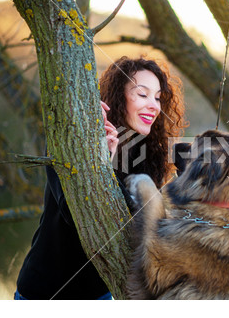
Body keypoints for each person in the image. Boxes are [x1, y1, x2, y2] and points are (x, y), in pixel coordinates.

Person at [15, 56, 186, 300]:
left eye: (157, 97)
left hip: (101, 296)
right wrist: (101, 162)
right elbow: (74, 214)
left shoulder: (149, 155)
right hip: (45, 293)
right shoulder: (69, 138)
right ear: (118, 95)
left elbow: (141, 227)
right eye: (142, 94)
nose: (154, 106)